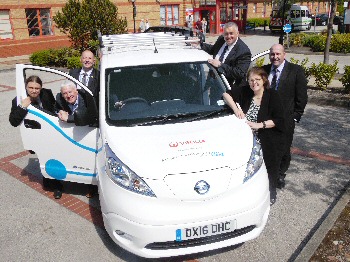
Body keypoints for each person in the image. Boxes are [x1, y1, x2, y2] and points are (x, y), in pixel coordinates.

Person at [223, 67, 285, 205]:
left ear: (264, 80)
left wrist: (259, 125)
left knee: (269, 167)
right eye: (251, 80)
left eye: (257, 79)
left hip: (267, 137)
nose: (254, 83)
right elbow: (226, 94)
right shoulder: (245, 92)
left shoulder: (272, 96)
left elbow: (279, 120)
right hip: (246, 138)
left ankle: (271, 191)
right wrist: (236, 109)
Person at [9, 75, 63, 199]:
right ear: (26, 87)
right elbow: (13, 121)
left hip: (51, 132)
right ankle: (50, 181)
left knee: (55, 158)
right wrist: (23, 106)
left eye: (37, 88)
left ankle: (57, 186)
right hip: (36, 134)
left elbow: (54, 108)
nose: (34, 90)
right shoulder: (18, 100)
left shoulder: (46, 94)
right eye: (31, 87)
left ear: (41, 88)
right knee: (45, 159)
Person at [262, 44, 308, 189]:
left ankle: (280, 174)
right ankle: (268, 172)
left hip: (286, 119)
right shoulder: (264, 70)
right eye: (272, 54)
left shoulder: (295, 71)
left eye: (278, 54)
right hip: (267, 118)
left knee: (283, 148)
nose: (275, 57)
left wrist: (295, 116)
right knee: (267, 145)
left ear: (284, 54)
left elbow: (302, 97)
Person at [201, 22, 252, 92]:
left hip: (229, 89)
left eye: (231, 33)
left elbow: (240, 73)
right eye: (226, 34)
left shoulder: (243, 51)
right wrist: (200, 45)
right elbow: (213, 49)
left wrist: (220, 65)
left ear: (237, 33)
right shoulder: (221, 39)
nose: (228, 36)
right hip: (214, 85)